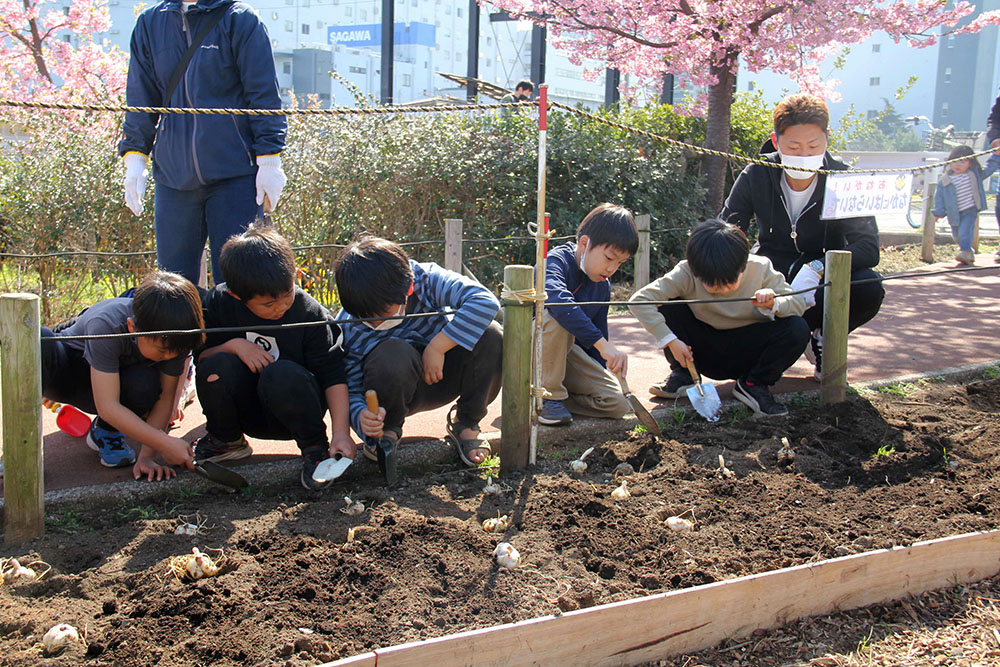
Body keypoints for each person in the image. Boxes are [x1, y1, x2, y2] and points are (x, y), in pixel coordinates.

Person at [119, 0, 287, 285]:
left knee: (239, 281)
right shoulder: (150, 23)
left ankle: (232, 333)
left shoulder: (240, 20)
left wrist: (270, 159)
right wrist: (135, 159)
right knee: (173, 286)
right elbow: (140, 98)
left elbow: (264, 96)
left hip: (235, 174)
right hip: (173, 178)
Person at [721, 93, 885, 381]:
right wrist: (743, 269)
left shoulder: (844, 179)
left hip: (823, 277)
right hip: (772, 270)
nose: (804, 154)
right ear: (776, 141)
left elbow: (869, 247)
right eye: (793, 146)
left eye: (813, 146)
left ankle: (823, 335)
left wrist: (818, 268)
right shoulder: (757, 174)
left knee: (869, 285)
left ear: (827, 138)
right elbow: (728, 227)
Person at [194, 226, 352, 490]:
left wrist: (341, 434)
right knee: (215, 366)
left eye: (287, 294)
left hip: (295, 411)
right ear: (236, 295)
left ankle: (315, 450)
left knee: (281, 373)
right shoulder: (219, 303)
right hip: (247, 411)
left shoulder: (309, 313)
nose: (281, 307)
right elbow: (201, 357)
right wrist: (235, 346)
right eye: (268, 304)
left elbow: (333, 375)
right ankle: (226, 440)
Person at [334, 237, 502, 468]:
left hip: (443, 374)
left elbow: (485, 301)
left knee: (491, 334)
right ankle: (388, 433)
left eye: (384, 313)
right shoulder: (349, 326)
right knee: (392, 353)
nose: (375, 324)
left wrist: (438, 346)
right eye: (367, 318)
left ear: (408, 289)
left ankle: (467, 423)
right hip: (394, 391)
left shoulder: (425, 279)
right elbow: (350, 389)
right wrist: (361, 417)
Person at [629, 219, 810, 418]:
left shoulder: (760, 268)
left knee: (798, 328)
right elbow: (639, 300)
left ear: (742, 267)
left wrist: (774, 302)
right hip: (700, 353)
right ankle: (684, 374)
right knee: (668, 305)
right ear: (697, 271)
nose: (721, 290)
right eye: (712, 285)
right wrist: (670, 341)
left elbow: (798, 304)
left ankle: (753, 384)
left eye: (728, 282)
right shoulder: (686, 272)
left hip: (749, 351)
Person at [40, 271, 204, 481]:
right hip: (72, 374)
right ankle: (17, 453)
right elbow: (107, 406)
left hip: (118, 381)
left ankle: (106, 431)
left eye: (175, 353)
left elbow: (165, 399)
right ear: (132, 327)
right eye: (162, 352)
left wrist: (147, 457)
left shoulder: (173, 339)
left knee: (147, 383)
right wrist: (164, 443)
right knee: (41, 341)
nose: (169, 357)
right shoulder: (106, 324)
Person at [539, 203, 637, 426]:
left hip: (567, 358)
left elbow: (595, 341)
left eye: (620, 263)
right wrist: (604, 346)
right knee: (557, 316)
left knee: (617, 404)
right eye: (609, 258)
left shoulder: (602, 286)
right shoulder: (554, 262)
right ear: (584, 243)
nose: (612, 268)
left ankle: (545, 399)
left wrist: (605, 366)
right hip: (531, 353)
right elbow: (558, 301)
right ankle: (549, 397)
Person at [931, 144, 1000, 266]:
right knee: (957, 236)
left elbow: (989, 169)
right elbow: (939, 198)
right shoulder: (946, 180)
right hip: (954, 213)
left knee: (964, 232)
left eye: (963, 161)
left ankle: (965, 251)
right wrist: (939, 212)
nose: (958, 165)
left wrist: (996, 155)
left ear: (971, 163)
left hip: (970, 210)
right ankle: (968, 251)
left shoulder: (974, 175)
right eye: (956, 161)